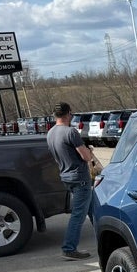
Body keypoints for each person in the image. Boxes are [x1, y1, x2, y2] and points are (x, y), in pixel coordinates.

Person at [45, 102, 98, 260]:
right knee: (78, 216)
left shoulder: (51, 133)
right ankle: (69, 248)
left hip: (66, 177)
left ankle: (105, 239)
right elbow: (86, 157)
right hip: (80, 178)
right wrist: (89, 150)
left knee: (93, 210)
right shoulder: (70, 132)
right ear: (68, 114)